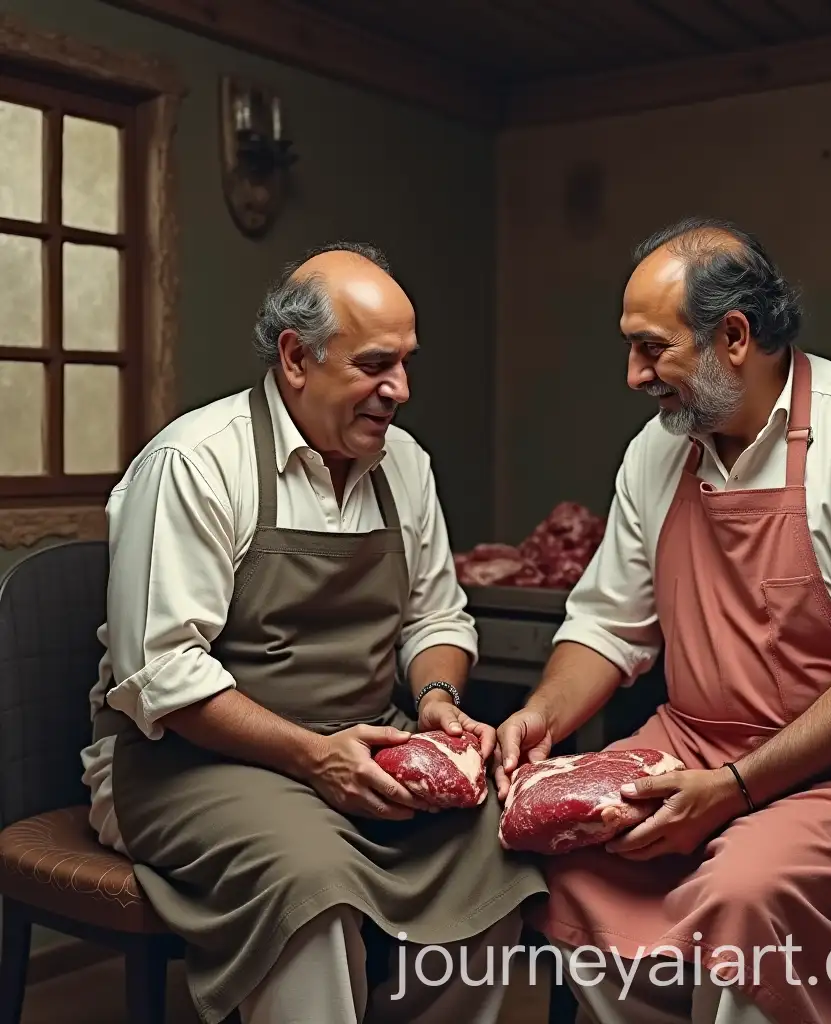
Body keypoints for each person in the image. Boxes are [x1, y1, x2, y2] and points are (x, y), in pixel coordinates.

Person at [494, 216, 831, 1024]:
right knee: (564, 865)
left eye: (651, 348)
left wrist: (737, 790)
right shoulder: (657, 452)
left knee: (746, 890)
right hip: (695, 744)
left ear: (733, 337)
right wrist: (539, 719)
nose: (633, 375)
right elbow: (605, 626)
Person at [81, 242, 546, 1024]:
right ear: (296, 359)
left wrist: (434, 699)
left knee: (494, 851)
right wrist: (313, 758)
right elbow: (162, 673)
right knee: (312, 884)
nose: (398, 389)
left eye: (405, 362)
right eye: (373, 365)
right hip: (188, 762)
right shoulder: (197, 462)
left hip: (361, 739)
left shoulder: (405, 465)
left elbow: (435, 615)